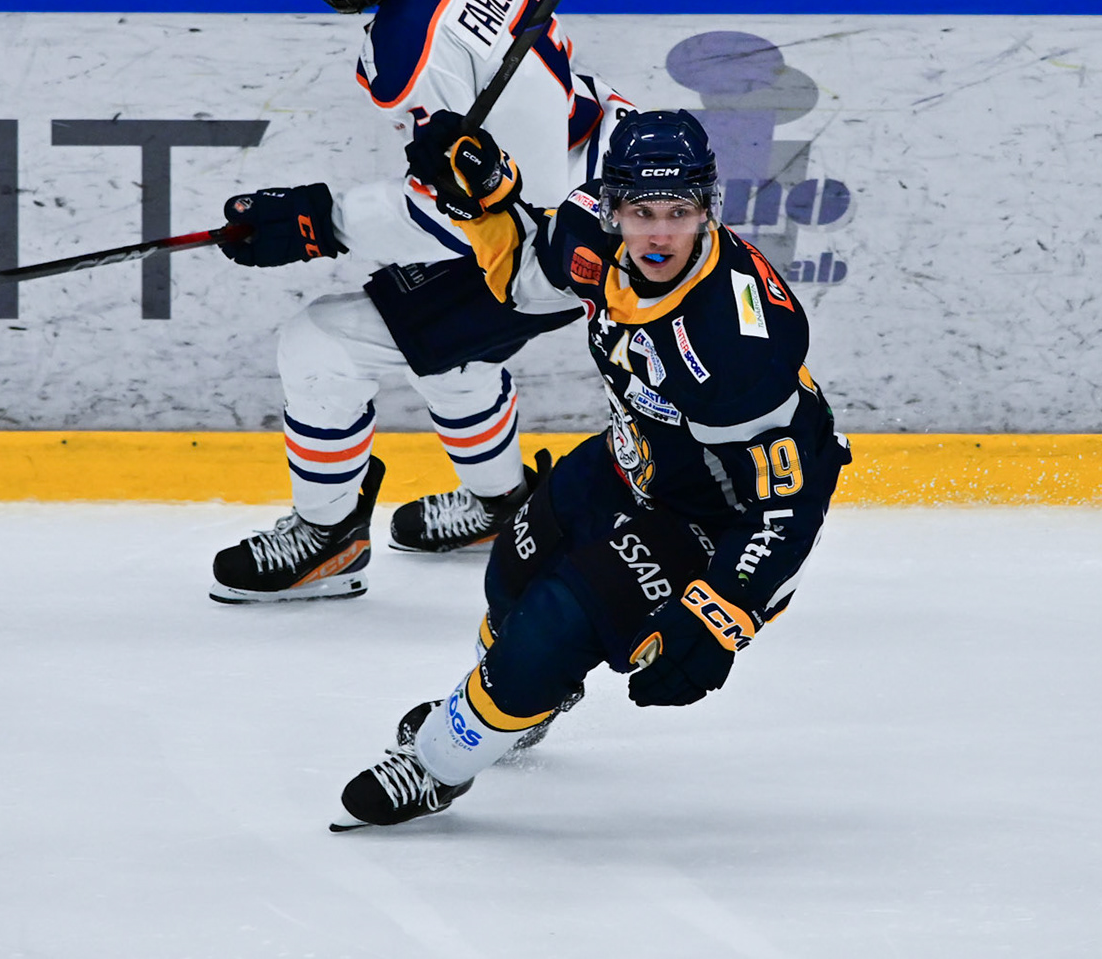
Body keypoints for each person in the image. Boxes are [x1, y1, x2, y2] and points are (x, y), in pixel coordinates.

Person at [329, 108, 850, 829]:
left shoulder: (734, 341)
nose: (659, 234)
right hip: (634, 459)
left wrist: (723, 616)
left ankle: (437, 765)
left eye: (679, 212)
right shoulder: (593, 237)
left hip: (712, 522)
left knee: (550, 627)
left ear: (707, 209)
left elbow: (789, 505)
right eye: (641, 212)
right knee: (513, 572)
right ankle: (522, 705)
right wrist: (488, 195)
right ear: (611, 208)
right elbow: (524, 273)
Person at [209, 0, 634, 604]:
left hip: (553, 237)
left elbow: (462, 212)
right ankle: (503, 510)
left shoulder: (412, 45)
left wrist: (320, 223)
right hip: (599, 165)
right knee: (449, 345)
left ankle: (327, 538)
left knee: (321, 342)